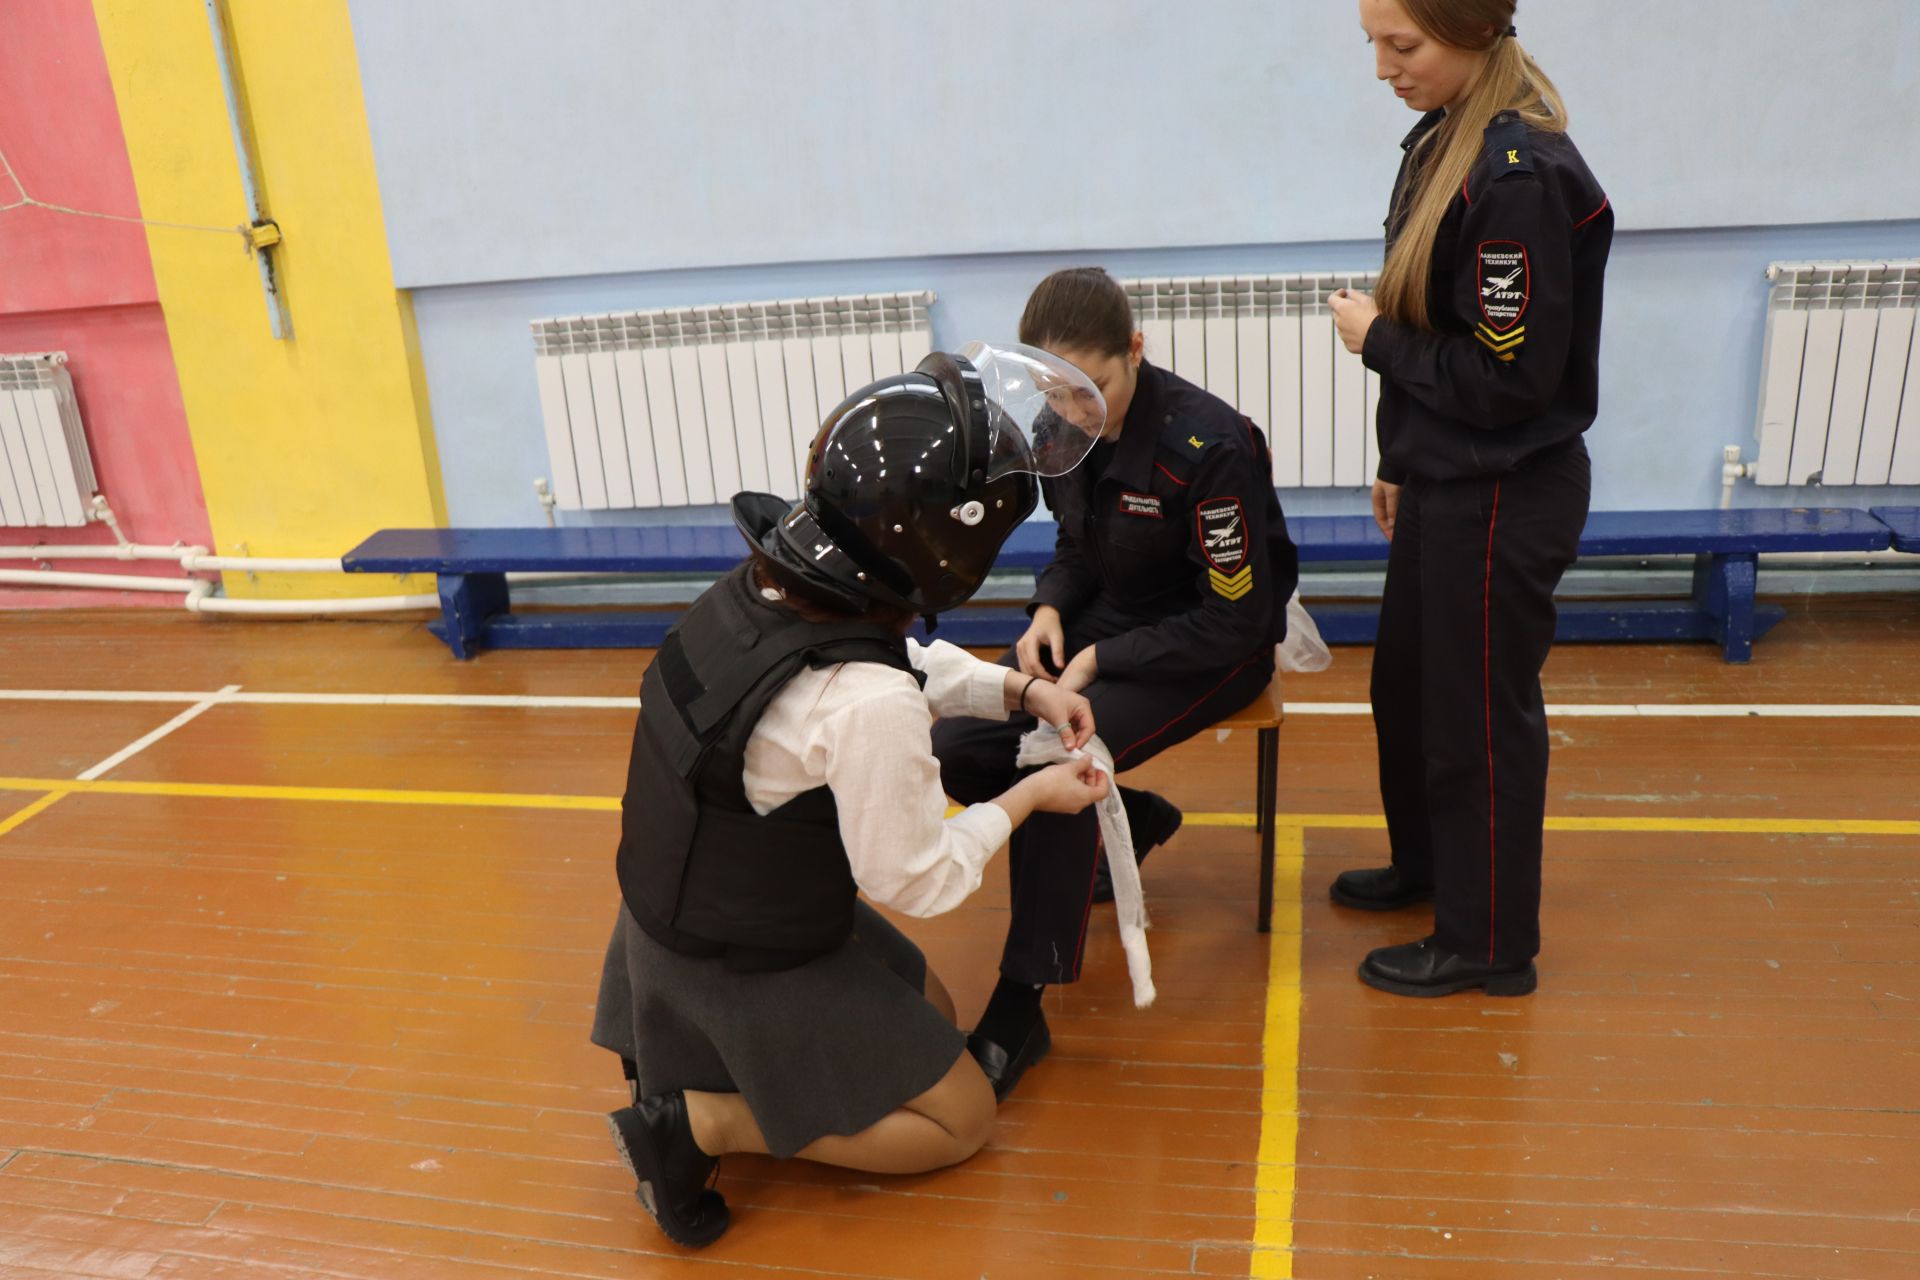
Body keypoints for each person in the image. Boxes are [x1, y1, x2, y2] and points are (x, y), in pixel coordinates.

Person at [590, 345, 1114, 1247]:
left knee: (934, 1017)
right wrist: (1031, 797)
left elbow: (897, 661)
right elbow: (916, 881)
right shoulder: (867, 705)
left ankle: (717, 1079)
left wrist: (1024, 691)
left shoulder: (764, 589)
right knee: (962, 1116)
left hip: (682, 912)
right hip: (735, 954)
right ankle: (699, 1125)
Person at [932, 267, 1300, 1100]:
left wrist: (1102, 661)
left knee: (1062, 757)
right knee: (955, 741)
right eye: (1056, 394)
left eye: (1091, 388)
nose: (1072, 412)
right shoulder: (1059, 426)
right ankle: (1129, 818)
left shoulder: (1207, 448)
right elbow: (1075, 545)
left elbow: (1238, 621)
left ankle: (1022, 1004)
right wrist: (1049, 611)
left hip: (1209, 645)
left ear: (1136, 350)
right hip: (1111, 624)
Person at [1326, 0, 1612, 996]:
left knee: (1475, 720)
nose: (1381, 67)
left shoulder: (1515, 180)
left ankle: (1488, 937)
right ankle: (1433, 869)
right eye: (1373, 42)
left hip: (1501, 490)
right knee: (1405, 692)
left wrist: (1377, 344)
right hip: (1446, 475)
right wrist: (1399, 456)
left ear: (1474, 34)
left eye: (1401, 46)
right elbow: (1438, 312)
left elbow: (1510, 382)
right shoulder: (1443, 142)